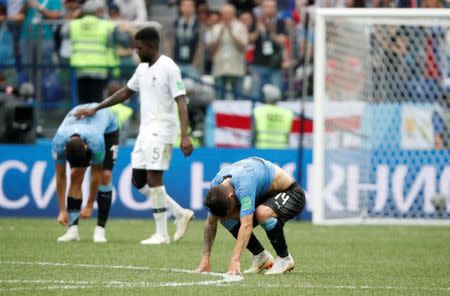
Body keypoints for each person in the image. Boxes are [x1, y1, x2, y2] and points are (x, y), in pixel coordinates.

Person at [75, 27, 195, 245]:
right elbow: (125, 92)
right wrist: (97, 108)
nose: (136, 51)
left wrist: (184, 135)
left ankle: (162, 233)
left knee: (154, 177)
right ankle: (179, 213)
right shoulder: (141, 69)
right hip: (145, 130)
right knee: (138, 181)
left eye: (139, 47)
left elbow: (181, 100)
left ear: (151, 46)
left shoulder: (169, 67)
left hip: (163, 128)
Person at [194, 157, 305, 275]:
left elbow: (247, 225)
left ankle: (284, 258)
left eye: (231, 209)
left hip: (291, 192)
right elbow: (210, 223)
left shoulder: (244, 186)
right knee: (226, 219)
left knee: (262, 213)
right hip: (264, 194)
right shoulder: (216, 186)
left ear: (231, 196)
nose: (232, 214)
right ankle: (261, 256)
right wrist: (205, 260)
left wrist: (235, 260)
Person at [52, 103, 119, 243]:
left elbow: (96, 174)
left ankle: (100, 230)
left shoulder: (96, 141)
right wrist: (62, 210)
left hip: (108, 129)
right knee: (76, 174)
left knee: (105, 176)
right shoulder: (58, 143)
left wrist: (89, 206)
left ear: (86, 147)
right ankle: (72, 230)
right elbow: (60, 176)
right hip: (80, 122)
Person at [209, 3, 248, 100]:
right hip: (220, 68)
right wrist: (220, 34)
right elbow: (212, 49)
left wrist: (231, 33)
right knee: (218, 98)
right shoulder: (216, 28)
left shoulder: (241, 27)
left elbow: (243, 46)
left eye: (229, 13)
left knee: (238, 99)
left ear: (233, 13)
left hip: (236, 68)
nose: (227, 15)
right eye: (225, 13)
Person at [253, 84, 293, 148]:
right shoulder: (287, 113)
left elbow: (253, 134)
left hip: (262, 149)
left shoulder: (258, 111)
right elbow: (288, 135)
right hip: (282, 149)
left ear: (266, 97)